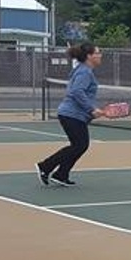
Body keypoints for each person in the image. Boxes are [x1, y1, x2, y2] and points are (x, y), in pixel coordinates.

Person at [36, 42, 106, 187]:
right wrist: (91, 109)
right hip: (71, 115)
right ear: (89, 56)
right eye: (97, 53)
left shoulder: (83, 70)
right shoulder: (84, 72)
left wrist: (91, 111)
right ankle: (45, 166)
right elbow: (76, 92)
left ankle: (61, 174)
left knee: (79, 145)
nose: (100, 55)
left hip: (73, 115)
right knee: (80, 145)